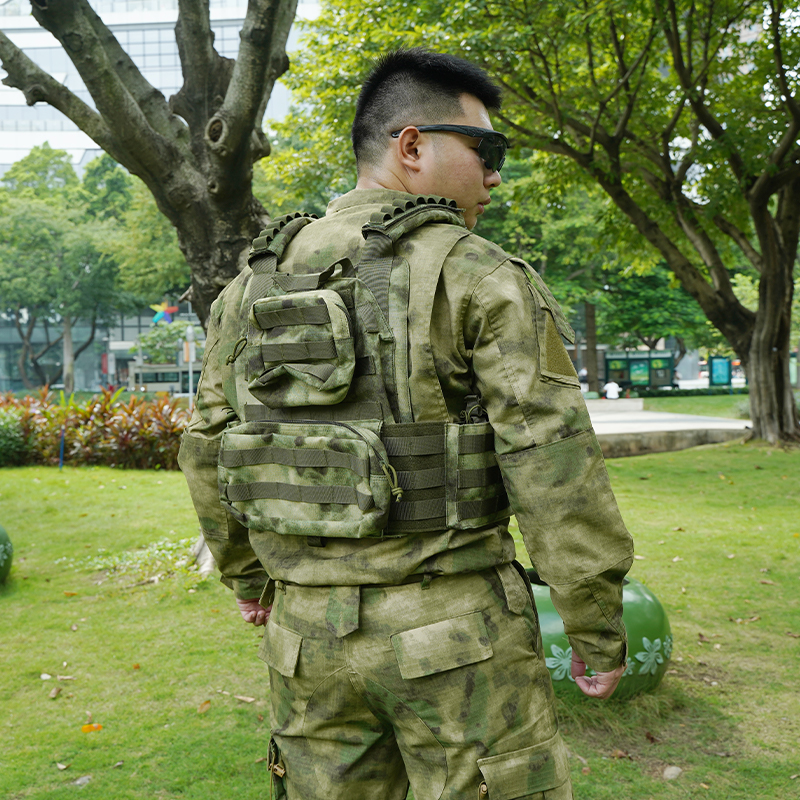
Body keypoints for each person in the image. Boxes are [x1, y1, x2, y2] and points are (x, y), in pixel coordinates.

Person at [179, 49, 633, 800]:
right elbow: (551, 461)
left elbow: (206, 446)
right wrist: (593, 624)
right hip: (458, 638)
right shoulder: (479, 274)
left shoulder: (249, 286)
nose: (495, 175)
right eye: (485, 150)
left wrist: (249, 577)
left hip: (304, 644)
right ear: (413, 146)